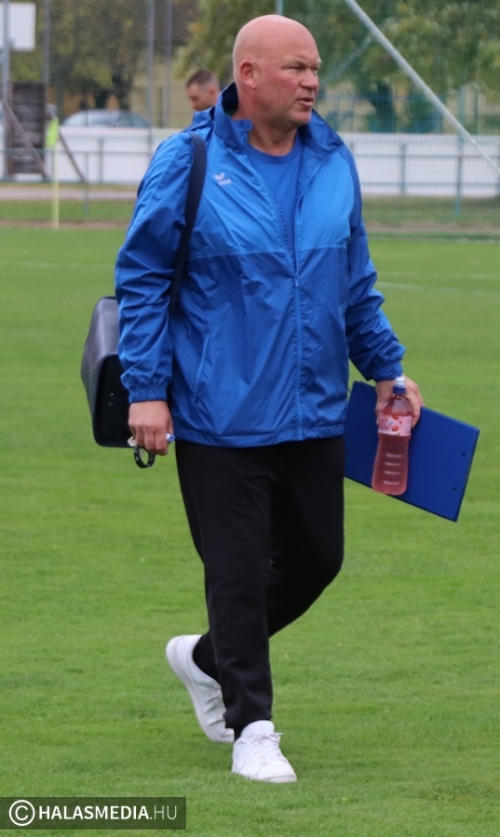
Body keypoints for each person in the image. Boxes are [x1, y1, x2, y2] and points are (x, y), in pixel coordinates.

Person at [115, 14, 424, 784]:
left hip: (315, 408)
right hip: (218, 412)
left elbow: (355, 279)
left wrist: (387, 368)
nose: (312, 81)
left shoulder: (332, 159)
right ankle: (253, 726)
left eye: (314, 68)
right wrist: (146, 390)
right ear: (247, 75)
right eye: (296, 68)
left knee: (319, 559)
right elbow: (142, 279)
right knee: (239, 569)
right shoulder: (188, 159)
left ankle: (205, 658)